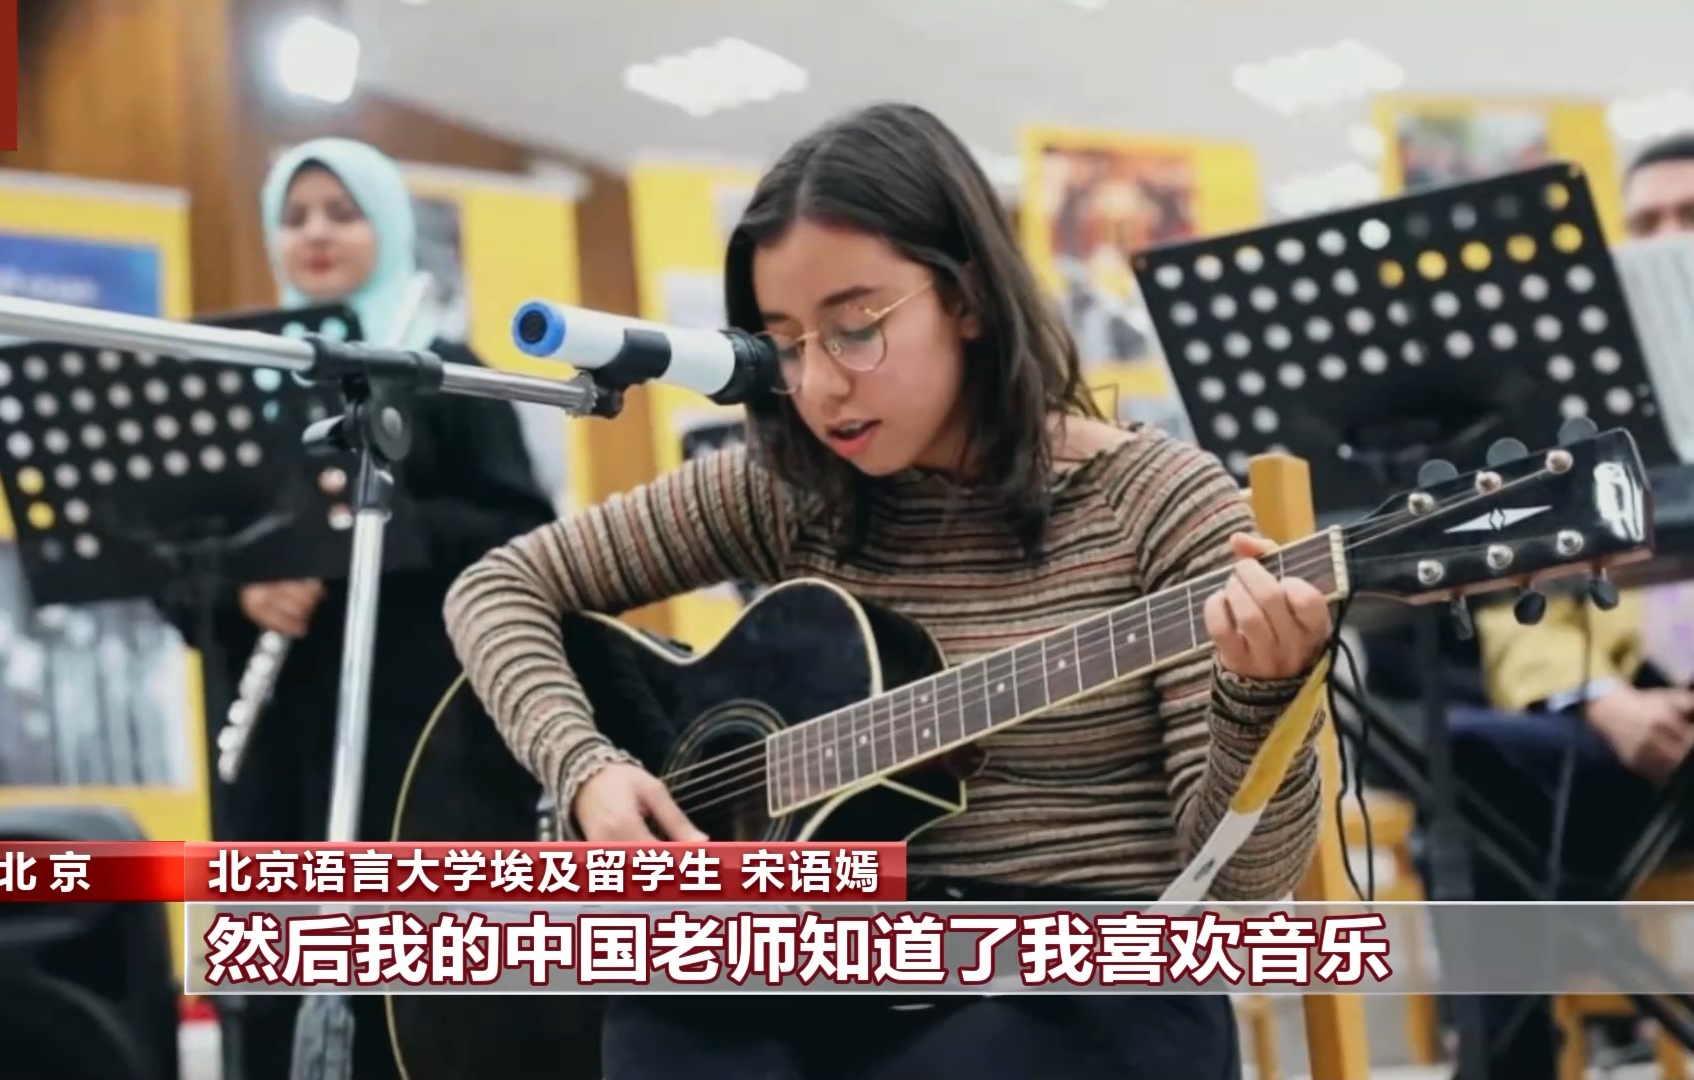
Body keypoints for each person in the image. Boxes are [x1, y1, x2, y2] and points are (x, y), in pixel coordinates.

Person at [441, 102, 1333, 1080]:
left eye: (855, 329)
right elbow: (497, 587)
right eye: (786, 343)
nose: (820, 386)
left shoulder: (1158, 504)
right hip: (834, 972)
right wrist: (586, 769)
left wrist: (1259, 699)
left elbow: (1244, 897)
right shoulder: (786, 490)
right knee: (664, 1000)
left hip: (1077, 989)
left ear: (968, 298)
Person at [193, 137, 557, 1080]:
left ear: (388, 228)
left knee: (416, 999)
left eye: (341, 212)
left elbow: (522, 535)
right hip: (276, 749)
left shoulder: (445, 369)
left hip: (419, 736)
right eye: (295, 216)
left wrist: (381, 529)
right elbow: (185, 555)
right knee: (275, 983)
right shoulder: (250, 378)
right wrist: (242, 589)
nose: (315, 233)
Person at [1456, 130, 1694, 1080]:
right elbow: (1527, 612)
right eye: (1645, 224)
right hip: (1636, 729)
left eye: (1689, 218)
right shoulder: (1586, 427)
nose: (1665, 240)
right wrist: (1602, 701)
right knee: (1466, 763)